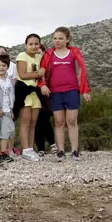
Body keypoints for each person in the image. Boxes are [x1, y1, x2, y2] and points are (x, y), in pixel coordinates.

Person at [37, 26, 91, 161]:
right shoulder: (49, 54)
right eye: (55, 38)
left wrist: (85, 90)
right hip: (55, 92)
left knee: (72, 121)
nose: (57, 41)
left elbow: (81, 72)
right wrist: (43, 85)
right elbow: (42, 72)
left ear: (67, 39)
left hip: (72, 90)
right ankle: (60, 151)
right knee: (59, 122)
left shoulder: (74, 53)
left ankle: (74, 151)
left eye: (60, 38)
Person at [15, 34, 46, 161]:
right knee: (25, 121)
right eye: (30, 44)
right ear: (26, 45)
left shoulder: (40, 57)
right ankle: (25, 149)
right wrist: (37, 73)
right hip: (24, 90)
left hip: (35, 91)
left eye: (36, 44)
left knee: (33, 123)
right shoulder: (22, 56)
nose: (33, 46)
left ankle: (31, 148)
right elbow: (22, 74)